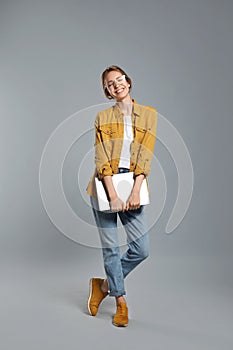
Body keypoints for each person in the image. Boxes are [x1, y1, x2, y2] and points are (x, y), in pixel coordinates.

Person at [86, 65, 158, 327]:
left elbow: (145, 153)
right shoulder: (102, 117)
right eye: (110, 84)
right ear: (106, 91)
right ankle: (121, 302)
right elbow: (101, 155)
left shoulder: (149, 115)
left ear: (128, 81)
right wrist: (113, 194)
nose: (116, 85)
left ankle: (103, 285)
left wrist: (136, 189)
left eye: (119, 79)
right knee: (111, 250)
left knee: (141, 249)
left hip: (133, 183)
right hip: (105, 187)